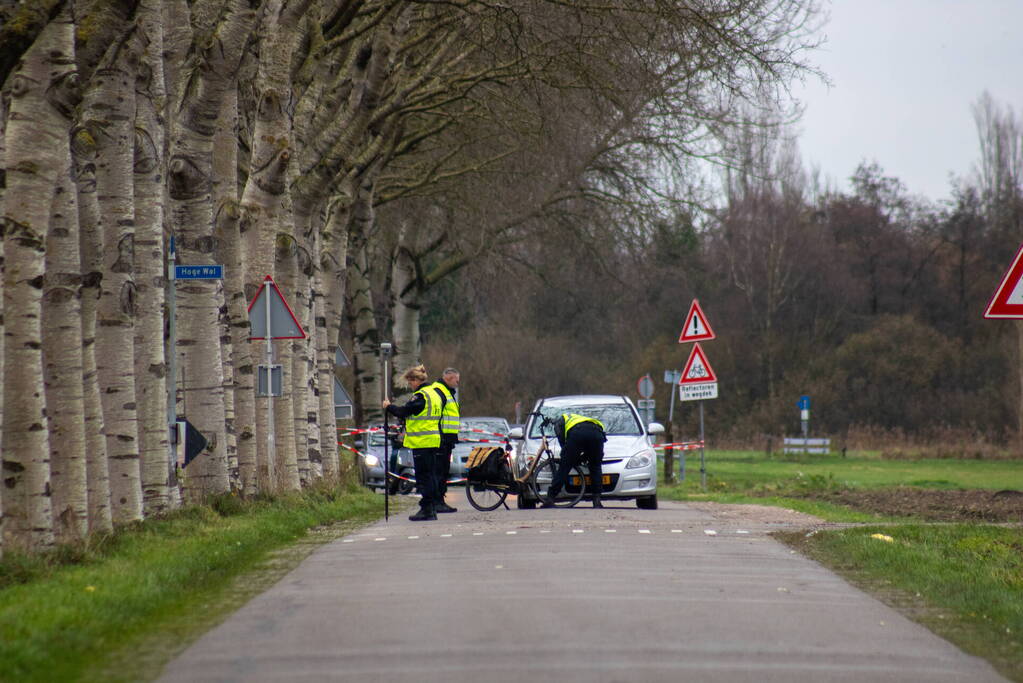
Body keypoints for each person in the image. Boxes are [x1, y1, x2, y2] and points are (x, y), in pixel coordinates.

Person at [383, 364, 442, 521]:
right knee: (430, 476)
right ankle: (432, 507)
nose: (410, 385)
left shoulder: (421, 395)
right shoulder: (435, 394)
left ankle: (427, 509)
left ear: (416, 380)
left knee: (423, 478)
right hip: (433, 440)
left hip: (421, 442)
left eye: (410, 382)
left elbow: (404, 411)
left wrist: (389, 407)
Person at [542, 413, 606, 509]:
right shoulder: (583, 419)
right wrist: (583, 458)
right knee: (595, 466)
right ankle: (597, 501)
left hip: (577, 433)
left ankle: (550, 498)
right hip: (597, 433)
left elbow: (562, 441)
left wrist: (569, 457)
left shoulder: (561, 420)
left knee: (565, 466)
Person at [425, 368, 460, 513]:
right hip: (441, 439)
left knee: (443, 471)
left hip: (446, 439)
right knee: (439, 471)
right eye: (456, 380)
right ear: (448, 378)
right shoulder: (439, 391)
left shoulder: (446, 392)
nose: (458, 383)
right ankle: (437, 501)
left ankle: (439, 500)